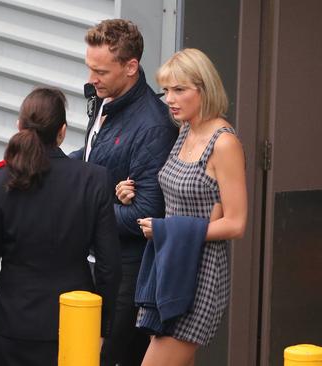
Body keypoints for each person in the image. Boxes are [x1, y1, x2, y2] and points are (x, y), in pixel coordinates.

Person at [0, 87, 121, 366]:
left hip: (13, 326)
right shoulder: (94, 179)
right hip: (74, 322)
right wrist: (102, 327)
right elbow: (109, 265)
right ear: (62, 132)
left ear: (19, 126)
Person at [116, 48, 247, 365]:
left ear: (204, 89)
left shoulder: (224, 142)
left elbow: (236, 223)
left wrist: (166, 229)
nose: (170, 99)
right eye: (166, 90)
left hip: (200, 275)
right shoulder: (185, 129)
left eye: (179, 90)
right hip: (167, 266)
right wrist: (126, 192)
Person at [70, 19, 178, 366]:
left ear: (131, 67)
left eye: (100, 71)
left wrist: (82, 207)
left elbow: (146, 215)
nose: (91, 79)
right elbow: (91, 158)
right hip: (91, 264)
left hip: (123, 278)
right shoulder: (105, 96)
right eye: (89, 68)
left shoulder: (153, 127)